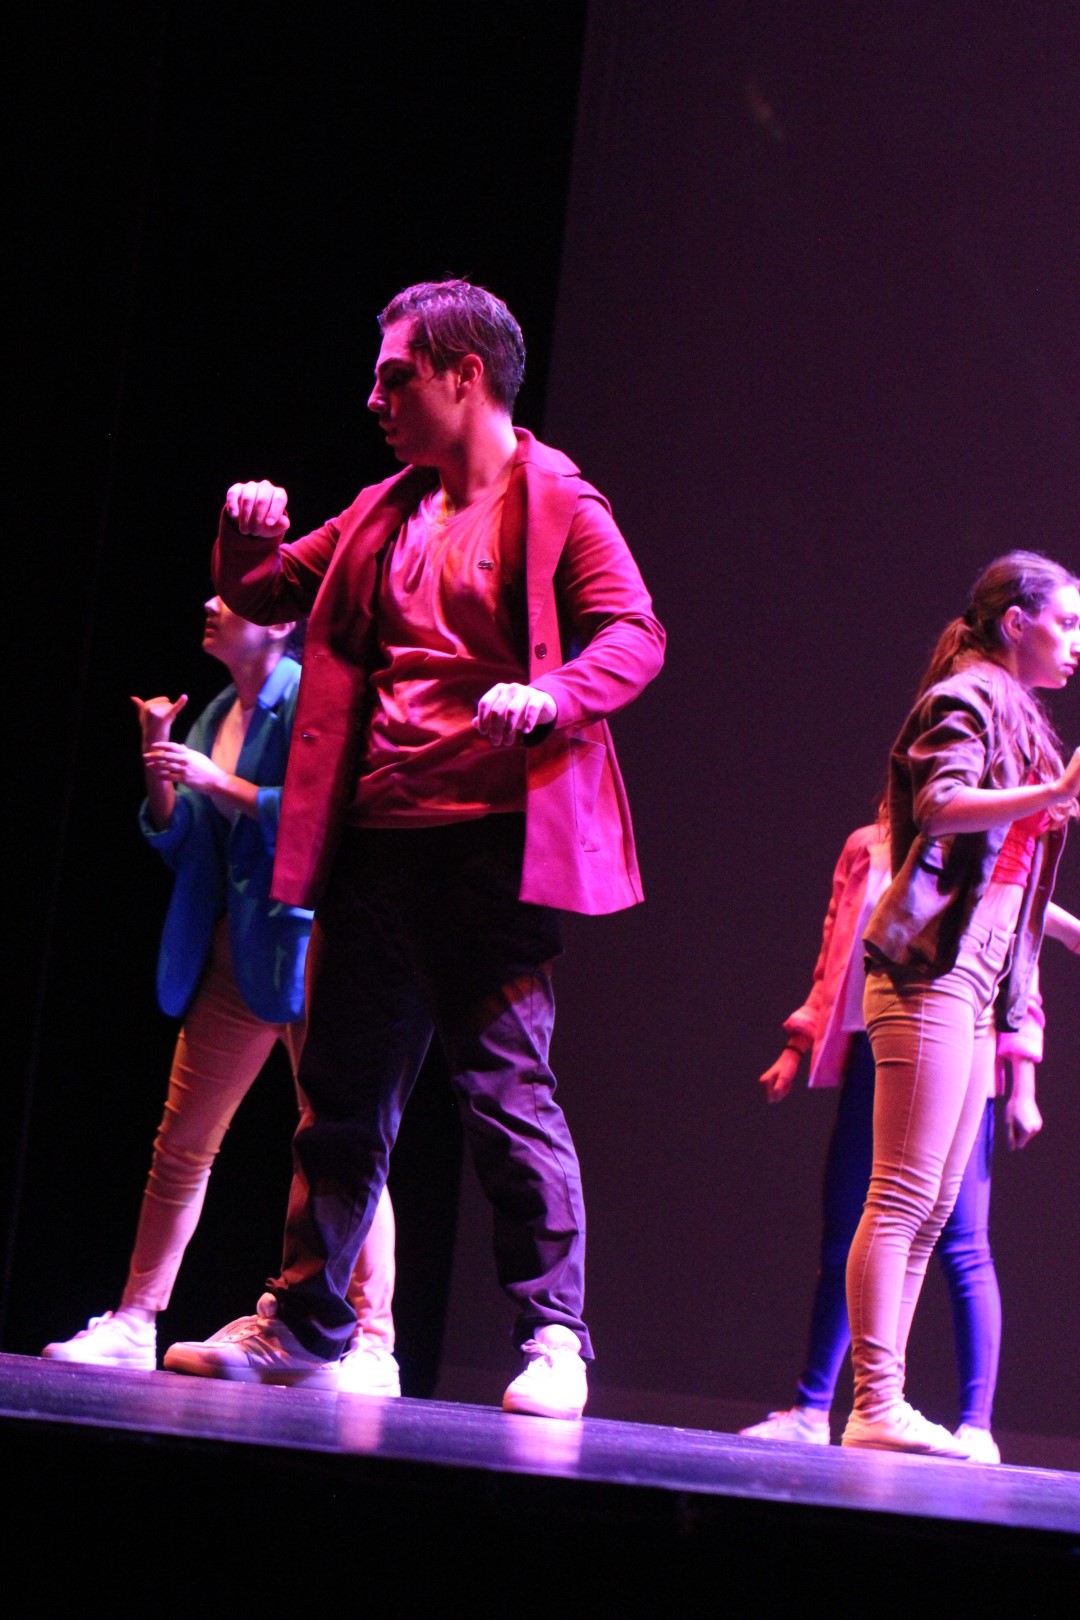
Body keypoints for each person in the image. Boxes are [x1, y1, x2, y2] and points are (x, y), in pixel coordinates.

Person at [160, 279, 666, 1418]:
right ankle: (306, 1323)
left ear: (463, 375)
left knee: (505, 1092)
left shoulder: (555, 499)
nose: (375, 397)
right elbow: (263, 591)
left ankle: (553, 1336)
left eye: (396, 375)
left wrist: (553, 696)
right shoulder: (385, 510)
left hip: (489, 846)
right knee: (339, 1097)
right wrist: (246, 530)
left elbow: (634, 632)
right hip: (374, 845)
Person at [41, 596, 400, 1397]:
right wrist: (158, 755)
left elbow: (319, 813)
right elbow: (183, 837)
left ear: (279, 622)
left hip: (306, 949)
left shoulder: (309, 698)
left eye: (231, 598)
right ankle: (136, 1320)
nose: (209, 604)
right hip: (236, 952)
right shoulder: (216, 713)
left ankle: (373, 1342)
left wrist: (219, 782)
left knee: (341, 1147)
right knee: (181, 1145)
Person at [835, 551, 1079, 1457]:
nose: (1077, 643)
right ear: (1017, 621)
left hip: (972, 981)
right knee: (902, 1194)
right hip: (926, 974)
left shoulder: (1013, 710)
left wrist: (1065, 929)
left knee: (936, 1203)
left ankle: (882, 1404)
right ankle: (875, 1404)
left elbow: (997, 869)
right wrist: (1054, 793)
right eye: (1068, 623)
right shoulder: (964, 698)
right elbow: (941, 809)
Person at [739, 815, 1079, 1465]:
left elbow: (1017, 962)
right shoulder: (871, 847)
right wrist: (797, 1044)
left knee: (959, 1236)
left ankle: (973, 1424)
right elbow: (834, 955)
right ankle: (820, 1408)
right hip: (883, 1037)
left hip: (959, 1039)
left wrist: (1023, 1081)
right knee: (856, 1224)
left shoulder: (985, 836)